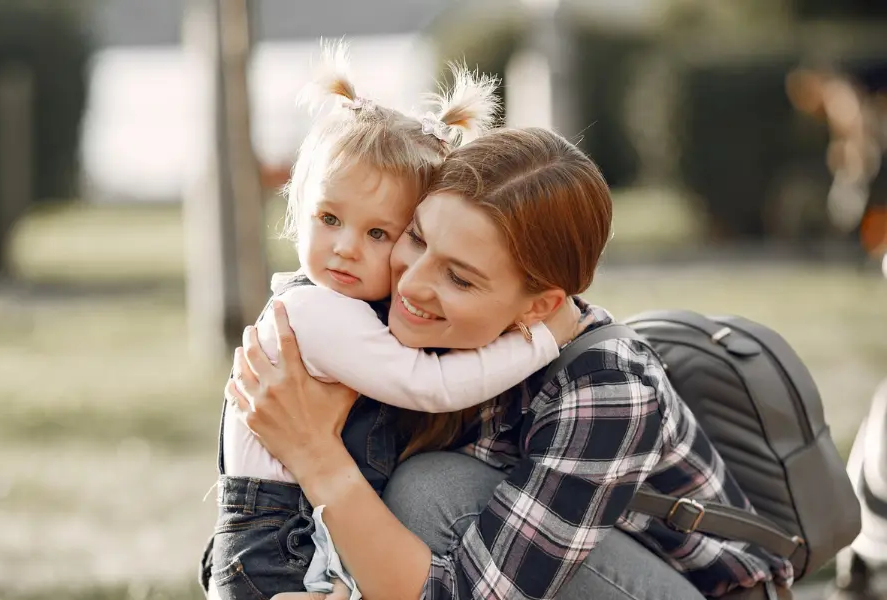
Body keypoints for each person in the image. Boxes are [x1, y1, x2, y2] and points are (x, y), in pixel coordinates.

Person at [225, 125, 797, 600]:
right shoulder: (373, 302)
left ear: (542, 306)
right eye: (416, 238)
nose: (412, 285)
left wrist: (314, 453)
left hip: (701, 591)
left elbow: (468, 595)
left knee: (430, 492)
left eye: (459, 276)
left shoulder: (607, 389)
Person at [199, 42, 581, 600]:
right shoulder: (318, 312)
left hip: (298, 530)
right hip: (281, 544)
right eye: (329, 218)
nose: (346, 249)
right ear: (298, 206)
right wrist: (544, 338)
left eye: (380, 234)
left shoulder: (350, 311)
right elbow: (433, 386)